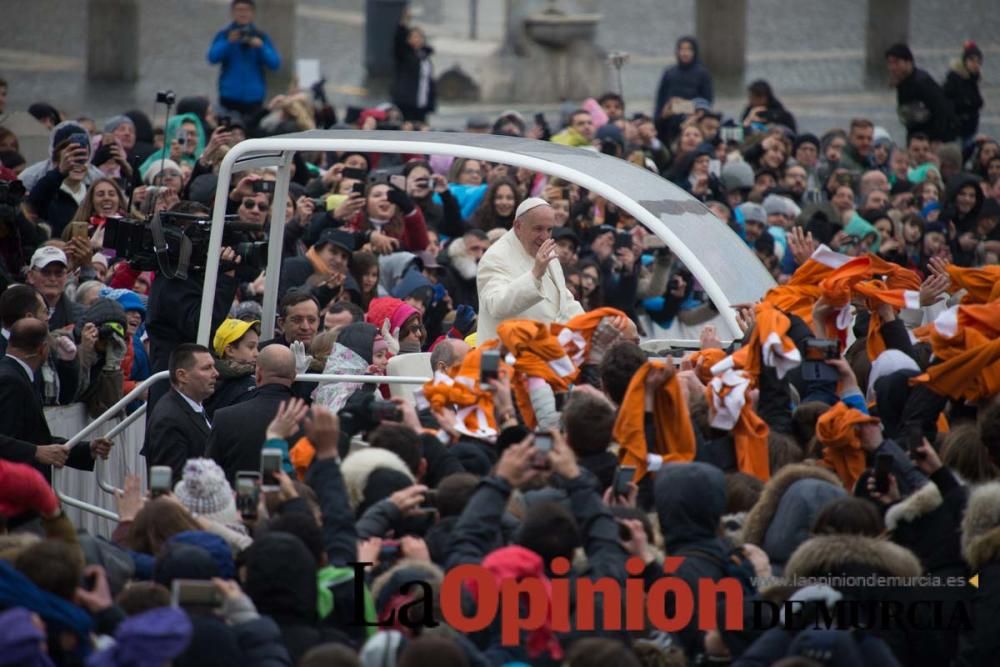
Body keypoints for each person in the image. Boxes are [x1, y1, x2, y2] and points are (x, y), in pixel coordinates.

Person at [0, 319, 112, 483]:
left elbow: (34, 437)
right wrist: (35, 452)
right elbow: (13, 440)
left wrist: (85, 449)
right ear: (43, 349)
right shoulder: (9, 380)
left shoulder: (19, 375)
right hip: (13, 494)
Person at [476, 198, 583, 343]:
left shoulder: (546, 251)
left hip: (546, 351)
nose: (545, 237)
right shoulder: (495, 257)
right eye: (538, 229)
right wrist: (535, 275)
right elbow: (496, 305)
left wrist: (589, 323)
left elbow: (562, 298)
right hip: (507, 355)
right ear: (518, 226)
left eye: (549, 230)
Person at [207, 344, 299, 483]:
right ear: (294, 376)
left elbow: (210, 474)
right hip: (295, 500)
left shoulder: (225, 418)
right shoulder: (312, 421)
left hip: (239, 501)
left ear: (258, 374)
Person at [141, 343, 218, 483]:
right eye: (207, 368)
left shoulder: (192, 405)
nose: (216, 373)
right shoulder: (169, 420)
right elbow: (169, 482)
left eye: (213, 366)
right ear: (182, 375)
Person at [207, 0, 281, 117]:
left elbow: (275, 63)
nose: (243, 14)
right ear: (232, 13)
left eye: (246, 10)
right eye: (239, 10)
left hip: (254, 97)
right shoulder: (225, 34)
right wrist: (228, 42)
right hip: (229, 96)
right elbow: (212, 58)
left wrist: (261, 47)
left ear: (253, 13)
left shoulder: (260, 35)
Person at [885, 43, 958, 143]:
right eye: (890, 63)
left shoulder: (922, 82)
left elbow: (941, 110)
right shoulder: (903, 82)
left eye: (897, 63)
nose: (892, 67)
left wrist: (936, 139)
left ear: (908, 62)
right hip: (916, 137)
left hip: (934, 139)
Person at [204, 317, 260, 420]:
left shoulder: (255, 376)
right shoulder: (211, 382)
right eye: (251, 347)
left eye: (257, 347)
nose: (257, 354)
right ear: (229, 350)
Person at [653, 36, 714, 119]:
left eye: (689, 50)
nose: (685, 53)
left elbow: (707, 103)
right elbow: (660, 101)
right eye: (682, 49)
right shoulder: (669, 72)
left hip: (693, 120)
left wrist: (677, 107)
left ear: (694, 52)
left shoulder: (703, 74)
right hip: (668, 118)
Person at [391, 15, 436, 123]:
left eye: (420, 37)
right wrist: (403, 23)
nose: (417, 40)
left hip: (422, 103)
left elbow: (428, 81)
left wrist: (431, 102)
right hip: (406, 103)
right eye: (414, 37)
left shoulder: (425, 56)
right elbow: (398, 42)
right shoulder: (405, 55)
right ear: (408, 39)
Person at [943, 41, 984, 146]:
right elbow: (948, 101)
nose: (976, 64)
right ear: (965, 61)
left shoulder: (973, 80)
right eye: (972, 60)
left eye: (978, 62)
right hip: (957, 131)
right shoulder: (955, 79)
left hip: (969, 129)